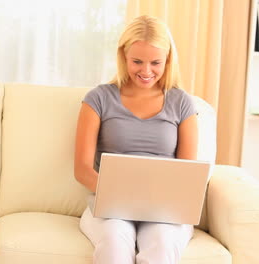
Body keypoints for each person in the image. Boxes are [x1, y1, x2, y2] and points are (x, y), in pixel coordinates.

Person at [74, 15, 198, 264]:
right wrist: (121, 194)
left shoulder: (181, 102)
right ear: (123, 57)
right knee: (113, 243)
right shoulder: (98, 99)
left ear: (168, 60)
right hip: (110, 209)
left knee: (162, 247)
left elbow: (188, 175)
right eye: (137, 61)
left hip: (164, 212)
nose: (146, 71)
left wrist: (152, 197)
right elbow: (82, 169)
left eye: (155, 62)